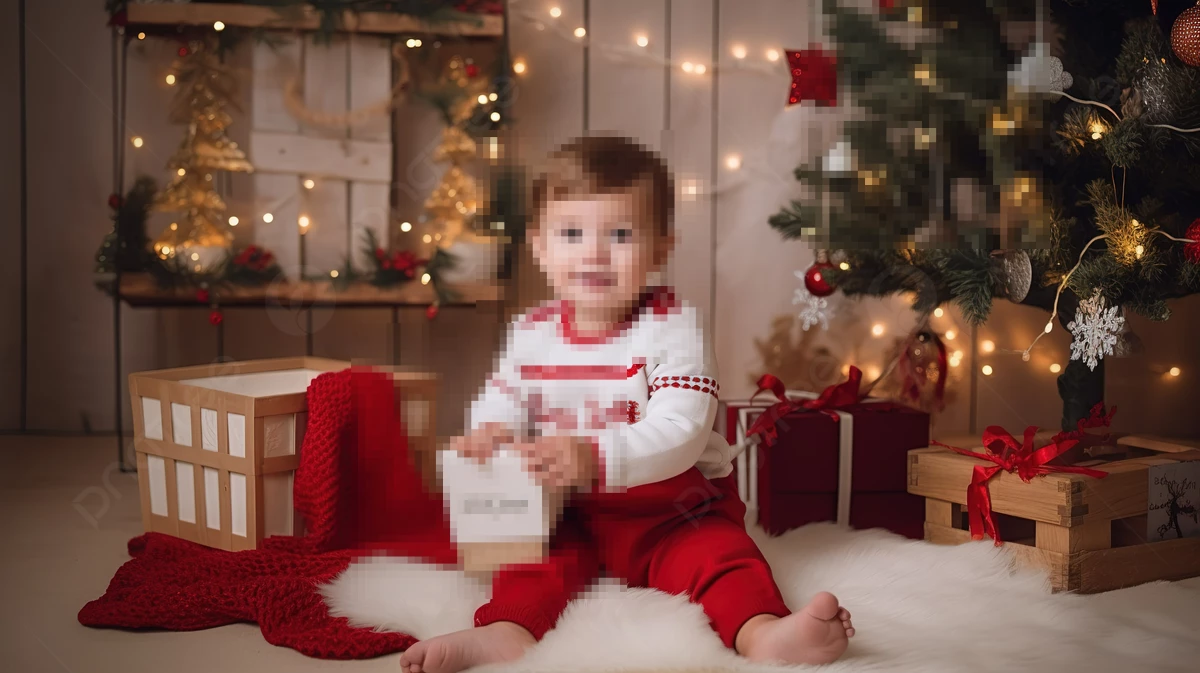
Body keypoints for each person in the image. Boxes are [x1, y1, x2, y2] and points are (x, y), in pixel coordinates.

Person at [400, 135, 854, 673]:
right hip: (563, 510)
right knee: (530, 560)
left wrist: (594, 457)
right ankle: (508, 631)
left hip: (670, 509)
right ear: (539, 246)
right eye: (571, 233)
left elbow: (682, 429)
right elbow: (505, 395)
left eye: (620, 234)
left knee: (719, 558)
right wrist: (491, 432)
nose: (593, 253)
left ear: (661, 248)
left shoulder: (672, 327)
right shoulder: (533, 331)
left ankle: (764, 633)